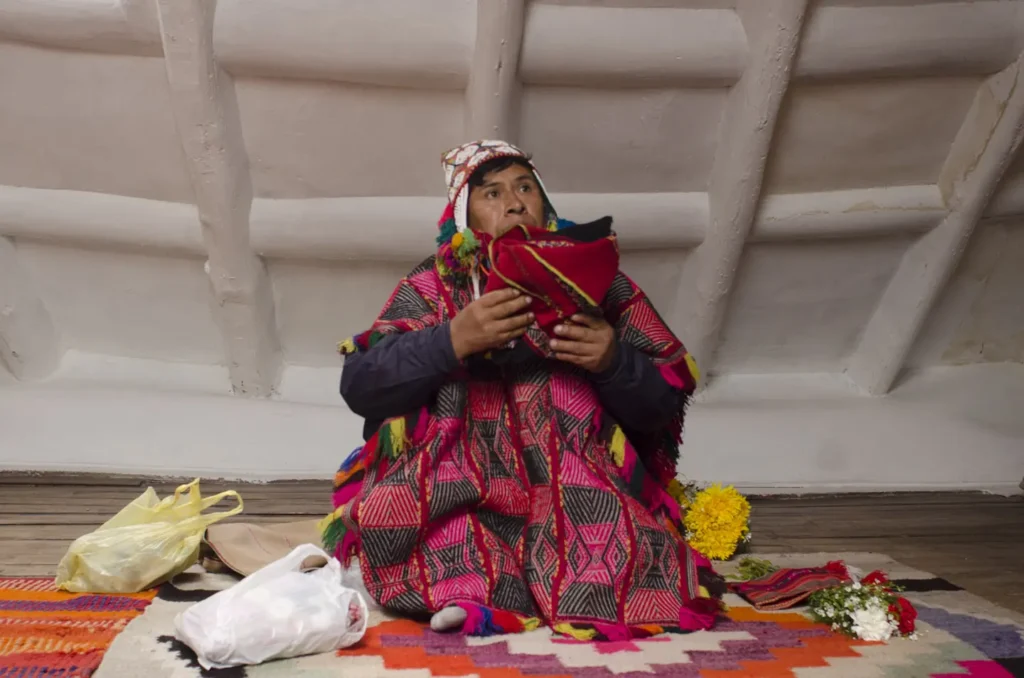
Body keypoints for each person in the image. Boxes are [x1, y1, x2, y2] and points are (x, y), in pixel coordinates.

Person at [321, 140, 720, 640]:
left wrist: (613, 361)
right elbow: (361, 385)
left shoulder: (604, 285)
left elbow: (662, 403)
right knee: (396, 518)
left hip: (574, 480)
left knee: (625, 547)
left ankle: (564, 592)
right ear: (465, 219)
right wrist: (452, 340)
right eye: (491, 193)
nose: (514, 203)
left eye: (525, 187)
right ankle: (472, 598)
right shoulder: (433, 285)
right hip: (458, 482)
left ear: (545, 203)